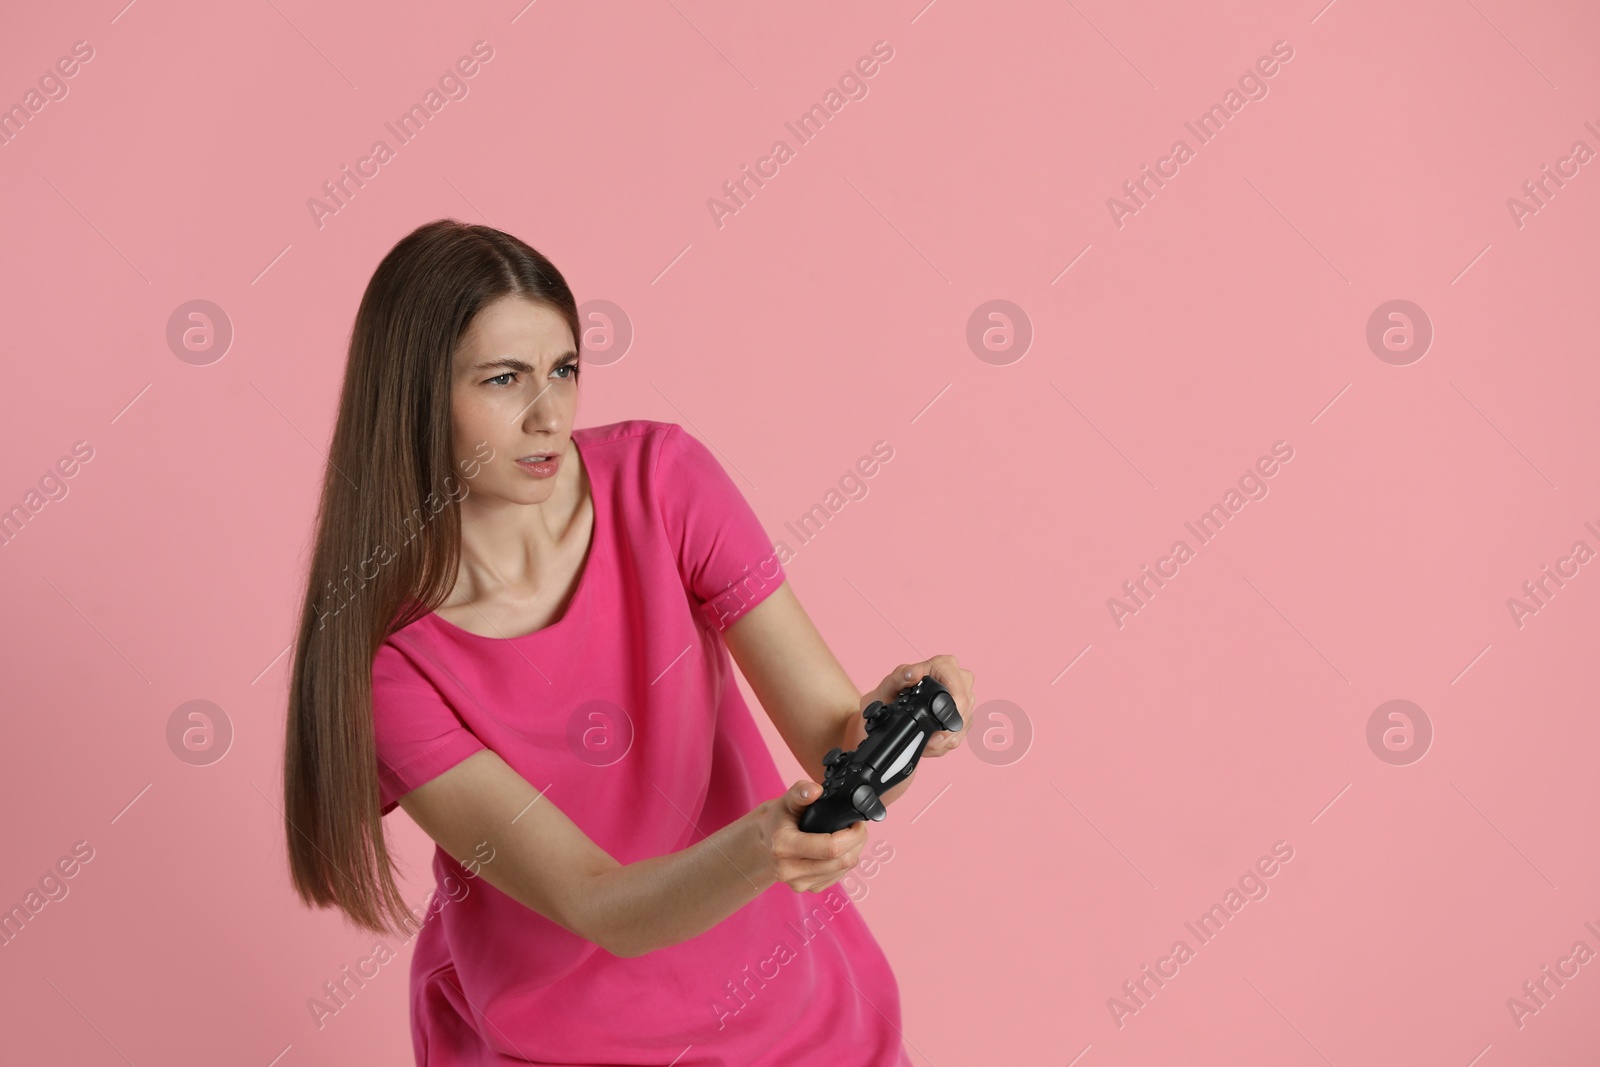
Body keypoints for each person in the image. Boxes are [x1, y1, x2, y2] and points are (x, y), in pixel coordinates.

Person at [281, 218, 975, 1065]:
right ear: (415, 394)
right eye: (504, 380)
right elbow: (599, 903)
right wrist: (761, 848)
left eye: (564, 369)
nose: (549, 413)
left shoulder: (664, 482)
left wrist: (899, 718)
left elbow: (834, 735)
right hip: (560, 1043)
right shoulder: (389, 667)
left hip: (792, 1015)